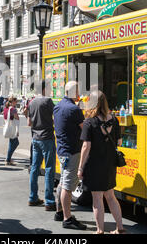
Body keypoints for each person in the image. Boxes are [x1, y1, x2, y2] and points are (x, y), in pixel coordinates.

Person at [78, 90, 126, 234]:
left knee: (97, 199)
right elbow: (119, 141)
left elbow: (86, 146)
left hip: (94, 164)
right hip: (110, 163)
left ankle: (100, 230)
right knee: (111, 197)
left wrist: (80, 167)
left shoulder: (89, 122)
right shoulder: (114, 120)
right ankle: (120, 228)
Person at [53, 81, 86, 230]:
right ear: (74, 92)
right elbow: (84, 129)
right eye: (78, 90)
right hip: (72, 151)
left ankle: (59, 212)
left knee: (62, 182)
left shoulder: (58, 105)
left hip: (61, 149)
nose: (80, 93)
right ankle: (67, 218)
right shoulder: (74, 109)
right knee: (67, 186)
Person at [27, 81, 56, 211]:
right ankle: (49, 201)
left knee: (35, 168)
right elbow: (57, 117)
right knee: (49, 168)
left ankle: (33, 197)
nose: (50, 90)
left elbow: (29, 122)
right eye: (49, 88)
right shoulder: (48, 101)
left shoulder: (32, 102)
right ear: (44, 89)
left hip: (35, 138)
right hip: (47, 137)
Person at [3, 96, 19, 166]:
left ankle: (8, 158)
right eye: (16, 101)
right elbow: (17, 117)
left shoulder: (6, 108)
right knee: (16, 143)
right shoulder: (13, 109)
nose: (16, 103)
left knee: (11, 143)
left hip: (8, 127)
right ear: (12, 102)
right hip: (12, 128)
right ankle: (8, 159)